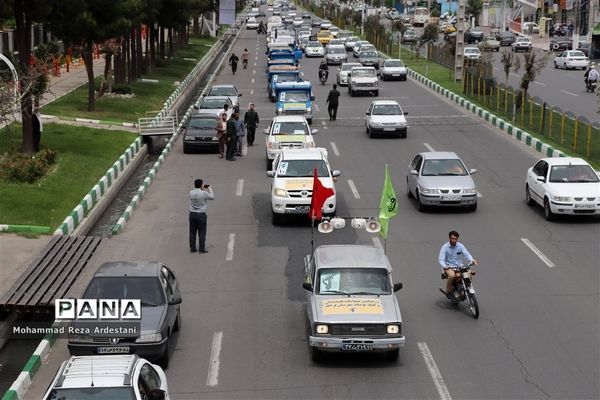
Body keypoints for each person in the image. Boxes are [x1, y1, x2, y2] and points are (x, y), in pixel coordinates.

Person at [438, 230, 478, 297]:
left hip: (460, 266)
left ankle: (466, 288)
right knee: (452, 275)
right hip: (449, 267)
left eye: (455, 239)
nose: (454, 240)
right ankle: (448, 291)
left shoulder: (460, 246)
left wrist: (472, 260)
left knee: (469, 274)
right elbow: (441, 259)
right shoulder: (445, 247)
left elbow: (467, 254)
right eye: (452, 238)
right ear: (449, 238)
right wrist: (445, 266)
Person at [189, 178, 214, 253]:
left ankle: (192, 248)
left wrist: (201, 189)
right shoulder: (204, 193)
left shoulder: (191, 192)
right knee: (202, 232)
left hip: (192, 214)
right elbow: (212, 197)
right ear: (201, 185)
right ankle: (201, 248)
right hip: (201, 215)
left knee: (192, 232)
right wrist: (210, 188)